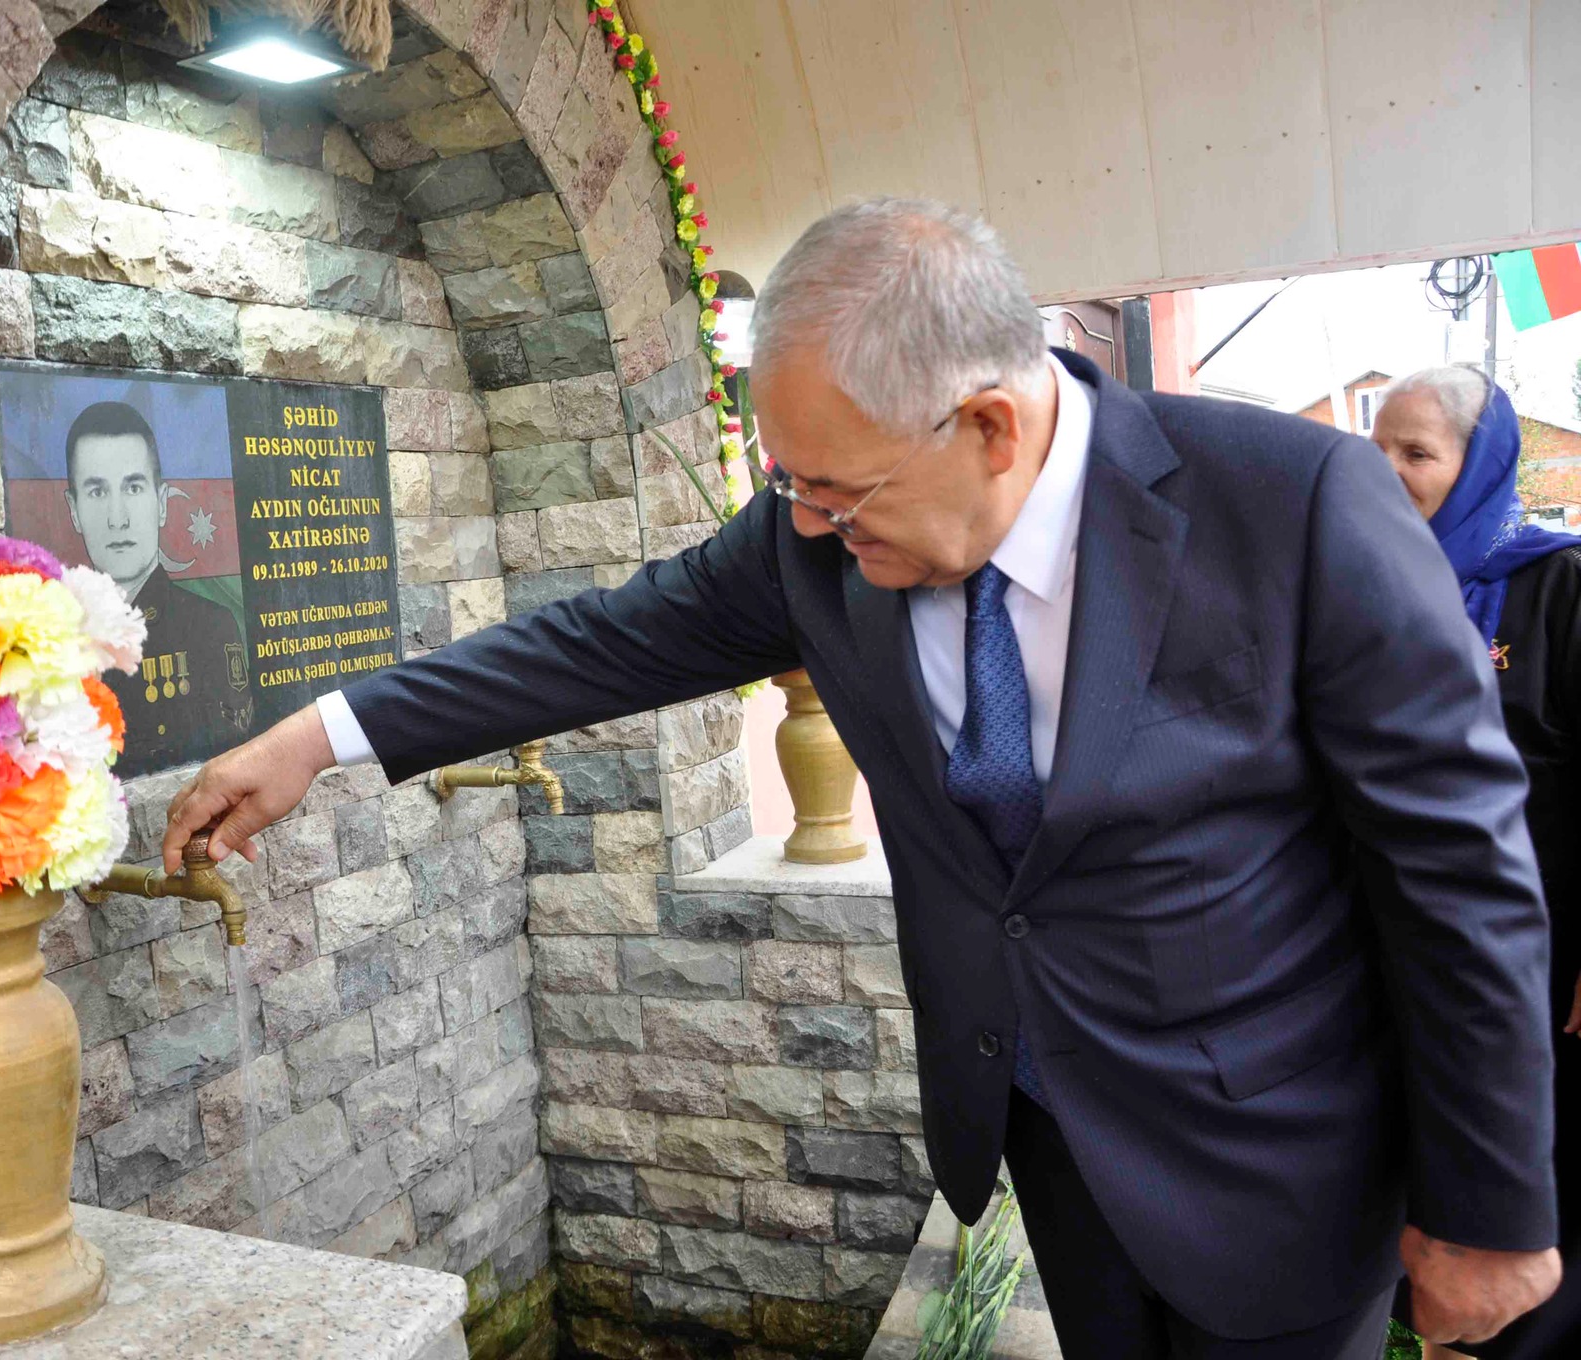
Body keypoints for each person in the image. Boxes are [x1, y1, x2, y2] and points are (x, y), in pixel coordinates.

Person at [160, 199, 1560, 1359]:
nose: (814, 524)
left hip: (1276, 1153)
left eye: (841, 491)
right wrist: (316, 736)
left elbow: (1456, 871)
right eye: (792, 488)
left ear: (991, 425)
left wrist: (1493, 1210)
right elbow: (599, 642)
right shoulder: (816, 537)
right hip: (1048, 1133)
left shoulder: (1290, 505)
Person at [1372, 366, 1581, 1360]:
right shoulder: (1363, 586)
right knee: (1422, 1190)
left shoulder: (1557, 587)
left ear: (1481, 464)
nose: (1385, 470)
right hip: (1393, 953)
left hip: (1536, 963)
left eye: (1415, 451)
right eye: (1375, 448)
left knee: (1526, 1177)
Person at [64, 400, 250, 774]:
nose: (118, 519)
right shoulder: (53, 636)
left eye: (133, 488)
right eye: (97, 492)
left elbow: (233, 751)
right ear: (74, 510)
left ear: (161, 503)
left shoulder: (210, 627)